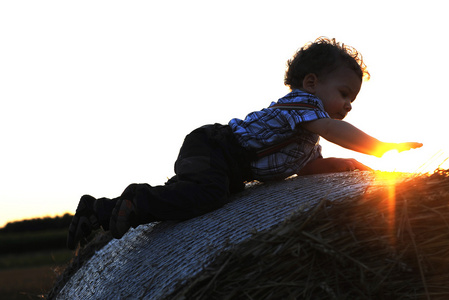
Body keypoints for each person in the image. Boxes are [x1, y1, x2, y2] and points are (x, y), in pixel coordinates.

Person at [67, 37, 422, 250]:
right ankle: (135, 197)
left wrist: (352, 171)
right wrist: (380, 146)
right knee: (207, 196)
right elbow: (334, 129)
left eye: (353, 100)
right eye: (345, 94)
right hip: (217, 148)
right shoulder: (304, 105)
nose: (348, 105)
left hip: (225, 165)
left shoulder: (307, 139)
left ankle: (100, 211)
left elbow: (311, 168)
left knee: (183, 201)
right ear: (311, 82)